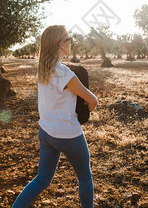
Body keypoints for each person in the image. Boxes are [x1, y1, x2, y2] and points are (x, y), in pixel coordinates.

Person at [12, 25, 98, 208]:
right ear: (60, 44)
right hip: (68, 135)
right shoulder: (64, 73)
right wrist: (88, 108)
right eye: (68, 39)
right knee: (85, 177)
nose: (71, 42)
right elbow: (92, 100)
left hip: (46, 133)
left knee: (42, 180)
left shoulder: (43, 69)